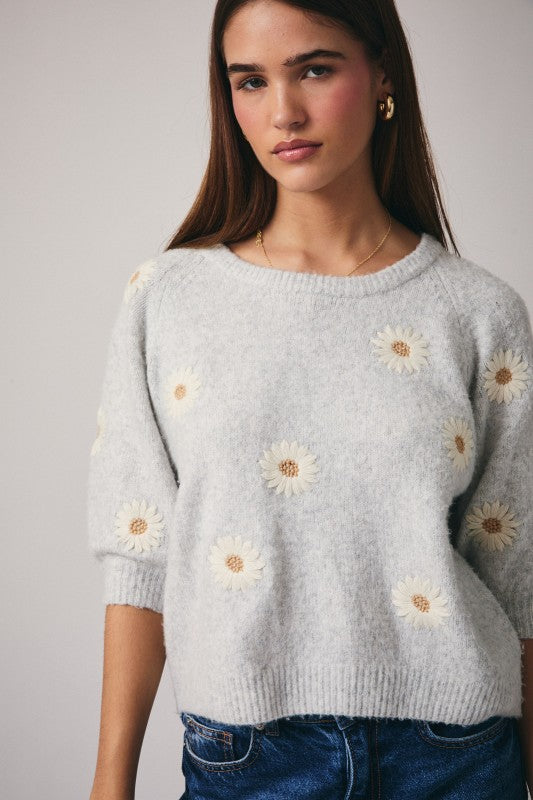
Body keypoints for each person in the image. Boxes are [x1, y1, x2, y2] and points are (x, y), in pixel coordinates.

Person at [87, 1, 533, 798]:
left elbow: (517, 573)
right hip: (248, 756)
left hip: (456, 754)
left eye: (314, 70)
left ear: (383, 75)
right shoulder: (168, 298)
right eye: (250, 82)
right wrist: (108, 783)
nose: (283, 112)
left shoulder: (477, 312)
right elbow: (139, 554)